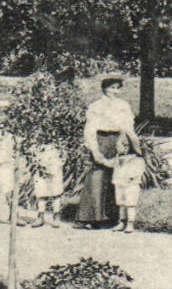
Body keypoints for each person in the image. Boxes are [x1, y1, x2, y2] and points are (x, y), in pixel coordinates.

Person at [76, 74, 138, 228]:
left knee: (117, 177)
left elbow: (128, 126)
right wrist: (95, 150)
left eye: (117, 88)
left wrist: (126, 143)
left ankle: (115, 218)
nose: (115, 92)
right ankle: (92, 218)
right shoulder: (96, 106)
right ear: (104, 88)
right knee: (97, 175)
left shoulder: (123, 106)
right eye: (112, 88)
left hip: (117, 140)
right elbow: (90, 129)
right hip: (101, 139)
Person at [110, 140, 146, 233]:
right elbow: (115, 169)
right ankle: (121, 222)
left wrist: (132, 177)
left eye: (119, 146)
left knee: (130, 204)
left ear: (126, 147)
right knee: (121, 204)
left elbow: (139, 170)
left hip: (131, 185)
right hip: (119, 183)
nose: (116, 148)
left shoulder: (136, 159)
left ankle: (130, 223)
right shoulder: (118, 158)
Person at [31, 141, 66, 227]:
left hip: (55, 162)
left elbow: (63, 152)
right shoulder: (38, 138)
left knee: (56, 190)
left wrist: (61, 160)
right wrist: (37, 160)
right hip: (41, 161)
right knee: (41, 190)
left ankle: (56, 216)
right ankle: (40, 215)